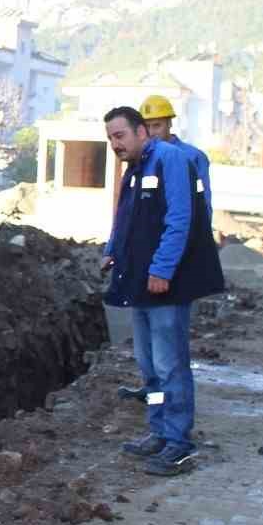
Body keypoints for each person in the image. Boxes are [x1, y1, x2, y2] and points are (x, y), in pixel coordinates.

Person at [100, 106, 225, 476]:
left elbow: (181, 219)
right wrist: (111, 251)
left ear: (143, 132)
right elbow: (125, 218)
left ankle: (179, 443)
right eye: (109, 138)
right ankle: (158, 430)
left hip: (165, 283)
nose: (114, 144)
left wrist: (162, 269)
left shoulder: (171, 160)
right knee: (149, 365)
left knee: (171, 364)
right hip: (139, 280)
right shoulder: (134, 168)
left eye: (119, 136)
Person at [140, 94, 212, 211]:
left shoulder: (194, 157)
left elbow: (204, 203)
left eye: (157, 125)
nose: (151, 132)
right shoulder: (141, 158)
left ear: (169, 123)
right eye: (147, 126)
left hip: (182, 226)